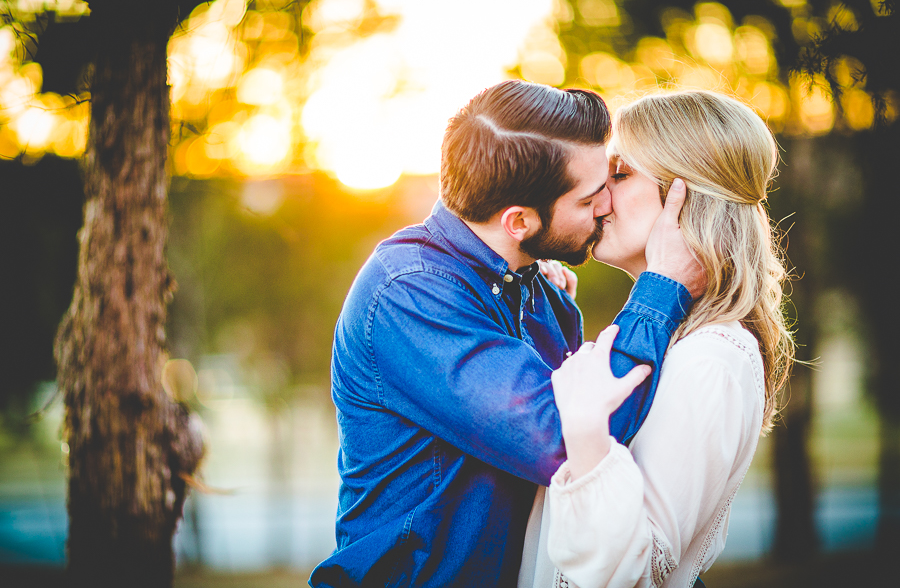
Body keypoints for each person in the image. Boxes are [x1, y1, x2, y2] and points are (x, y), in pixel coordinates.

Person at [310, 80, 704, 587]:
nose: (607, 203)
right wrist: (661, 291)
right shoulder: (407, 295)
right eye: (588, 199)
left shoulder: (541, 292)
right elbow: (572, 442)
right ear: (518, 221)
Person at [519, 90, 795, 588]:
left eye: (620, 174)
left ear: (685, 193)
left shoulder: (711, 358)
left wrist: (585, 435)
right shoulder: (674, 342)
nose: (599, 194)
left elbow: (639, 570)